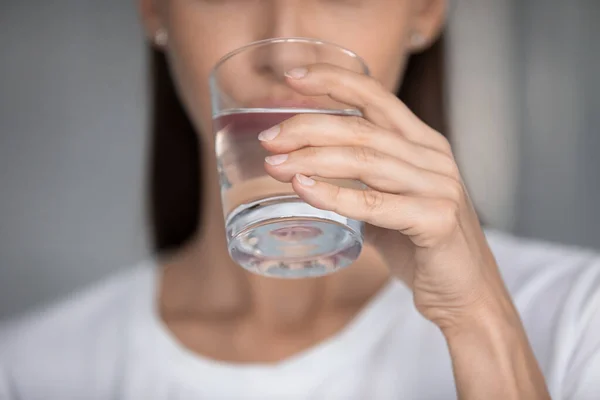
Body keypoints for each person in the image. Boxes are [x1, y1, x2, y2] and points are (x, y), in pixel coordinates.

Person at [1, 0, 599, 398]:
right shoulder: (30, 372)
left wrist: (480, 324)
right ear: (153, 7)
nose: (285, 53)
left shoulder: (578, 320)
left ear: (425, 9)